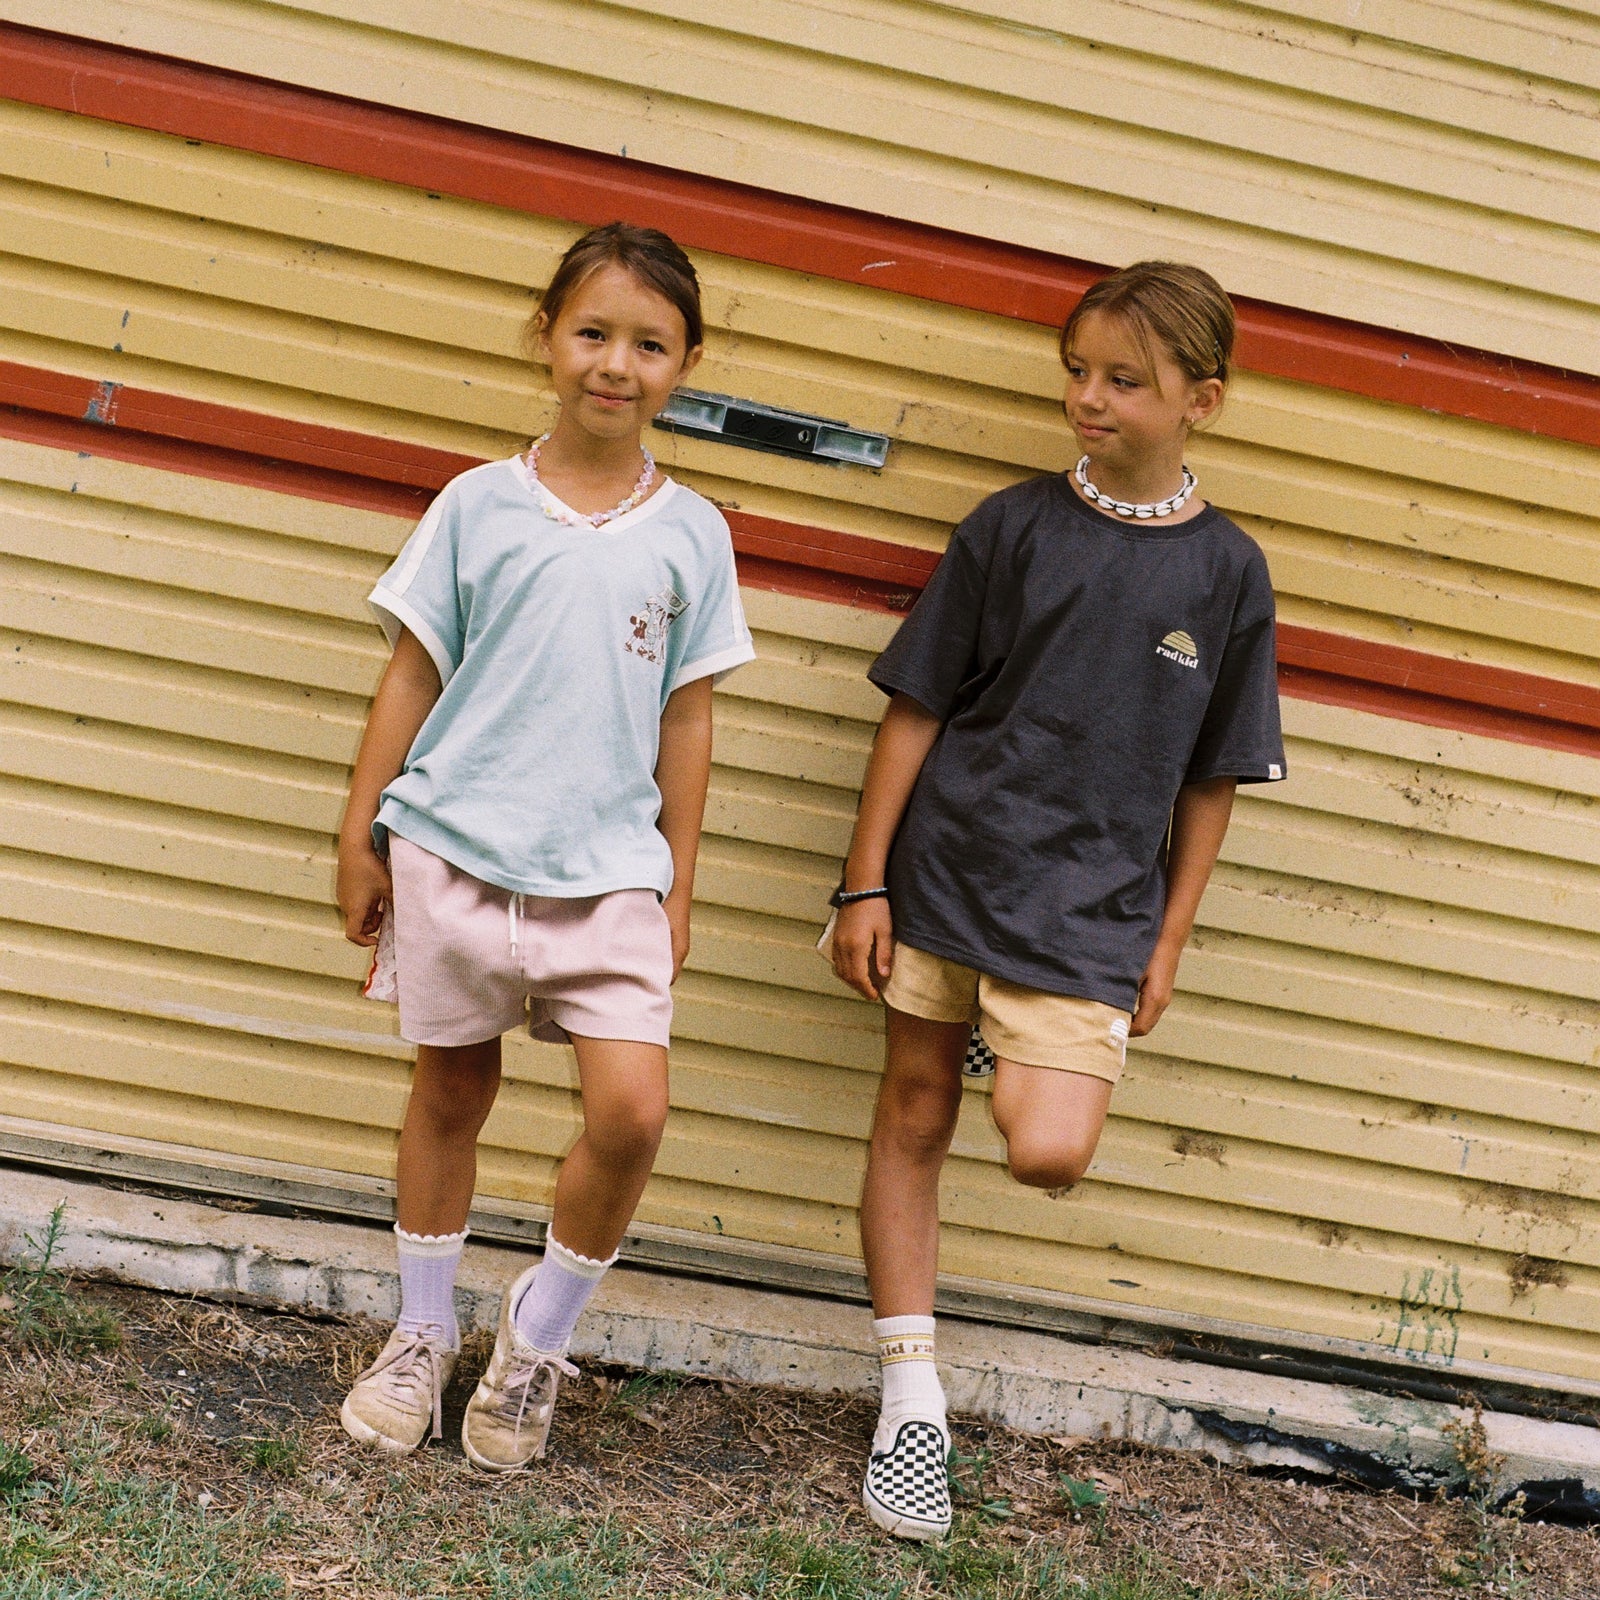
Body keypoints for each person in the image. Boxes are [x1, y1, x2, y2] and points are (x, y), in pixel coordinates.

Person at [830, 261, 1286, 1540]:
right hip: (947, 869)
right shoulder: (1010, 526)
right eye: (1076, 369)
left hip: (1087, 915)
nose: (1088, 397)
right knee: (914, 1112)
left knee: (1046, 1150)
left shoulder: (1228, 576)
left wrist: (1169, 934)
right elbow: (917, 704)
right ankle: (908, 1392)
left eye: (1123, 380)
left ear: (1204, 398)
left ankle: (1010, 1035)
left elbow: (1214, 778)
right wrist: (863, 879)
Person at [334, 222, 754, 1470]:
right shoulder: (476, 503)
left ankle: (535, 1339)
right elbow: (411, 672)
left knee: (631, 1110)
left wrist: (677, 879)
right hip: (456, 843)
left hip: (609, 871)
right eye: (592, 333)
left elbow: (688, 713)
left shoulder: (692, 535)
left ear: (685, 364)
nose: (614, 364)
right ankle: (419, 1335)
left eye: (649, 344)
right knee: (450, 1090)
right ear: (546, 337)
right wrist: (359, 835)